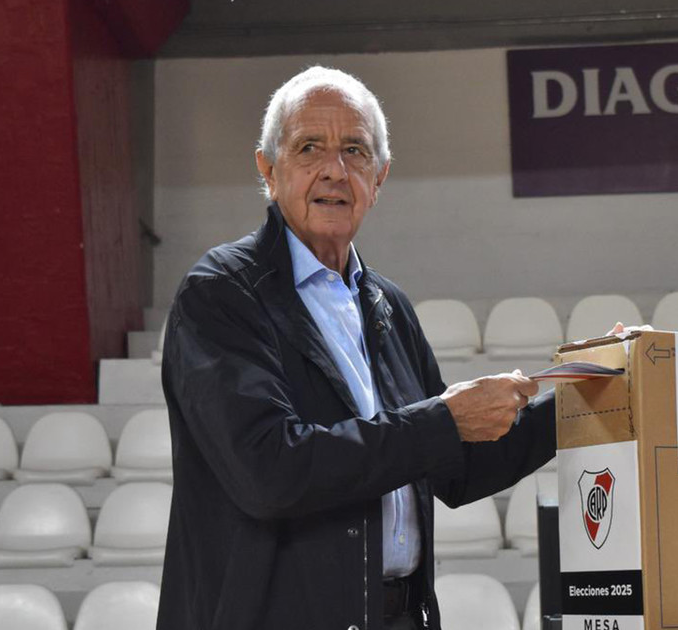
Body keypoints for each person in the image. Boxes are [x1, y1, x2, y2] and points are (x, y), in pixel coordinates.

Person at [154, 66, 559, 630]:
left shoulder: (388, 305)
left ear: (380, 177)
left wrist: (585, 403)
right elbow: (269, 470)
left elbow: (455, 466)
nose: (334, 170)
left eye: (355, 150)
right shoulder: (222, 292)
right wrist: (442, 420)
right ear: (267, 169)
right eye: (309, 148)